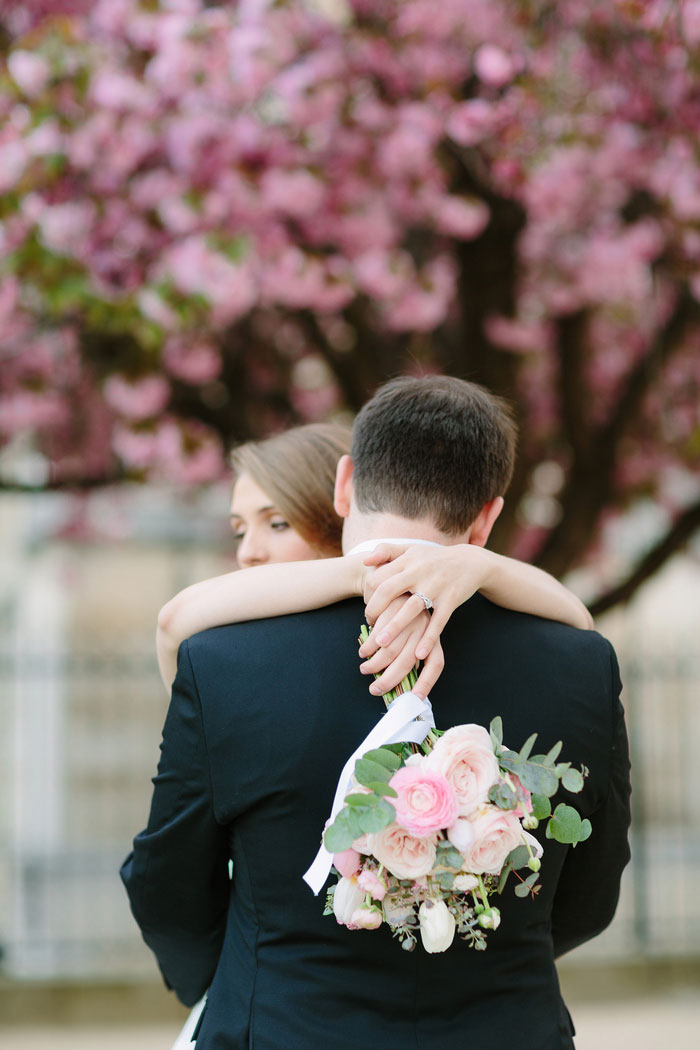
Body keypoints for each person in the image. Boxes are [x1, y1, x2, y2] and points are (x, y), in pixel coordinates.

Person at [122, 377, 631, 1050]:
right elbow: (590, 898)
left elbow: (167, 885)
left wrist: (240, 977)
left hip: (276, 1027)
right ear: (487, 517)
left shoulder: (224, 662)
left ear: (344, 485)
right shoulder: (580, 666)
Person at [155, 422, 592, 693]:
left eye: (277, 524)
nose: (248, 552)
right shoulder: (227, 647)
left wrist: (477, 565)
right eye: (238, 530)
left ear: (337, 505)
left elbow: (578, 617)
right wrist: (368, 570)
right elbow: (172, 621)